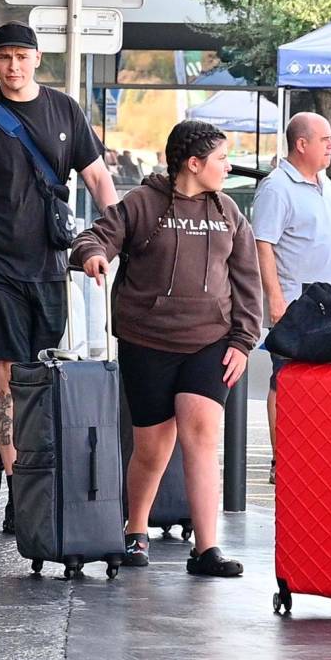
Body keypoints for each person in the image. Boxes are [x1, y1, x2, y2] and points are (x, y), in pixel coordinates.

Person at [0, 21, 119, 533]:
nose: (14, 66)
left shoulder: (64, 110)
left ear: (38, 59)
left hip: (49, 267)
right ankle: (21, 495)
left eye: (22, 56)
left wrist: (120, 231)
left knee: (39, 380)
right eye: (4, 57)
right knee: (10, 378)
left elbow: (97, 176)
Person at [72, 120, 261, 574]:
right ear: (194, 164)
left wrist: (243, 339)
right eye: (220, 158)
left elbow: (247, 279)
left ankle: (207, 548)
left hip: (209, 342)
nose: (227, 165)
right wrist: (92, 255)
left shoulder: (228, 212)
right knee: (154, 447)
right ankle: (135, 531)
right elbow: (94, 235)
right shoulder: (143, 203)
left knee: (202, 436)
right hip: (147, 341)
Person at [252, 113, 331, 485]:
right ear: (302, 144)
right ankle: (284, 460)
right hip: (299, 303)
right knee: (285, 381)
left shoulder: (323, 182)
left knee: (325, 382)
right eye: (325, 139)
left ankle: (317, 453)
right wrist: (276, 300)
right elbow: (263, 244)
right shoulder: (277, 186)